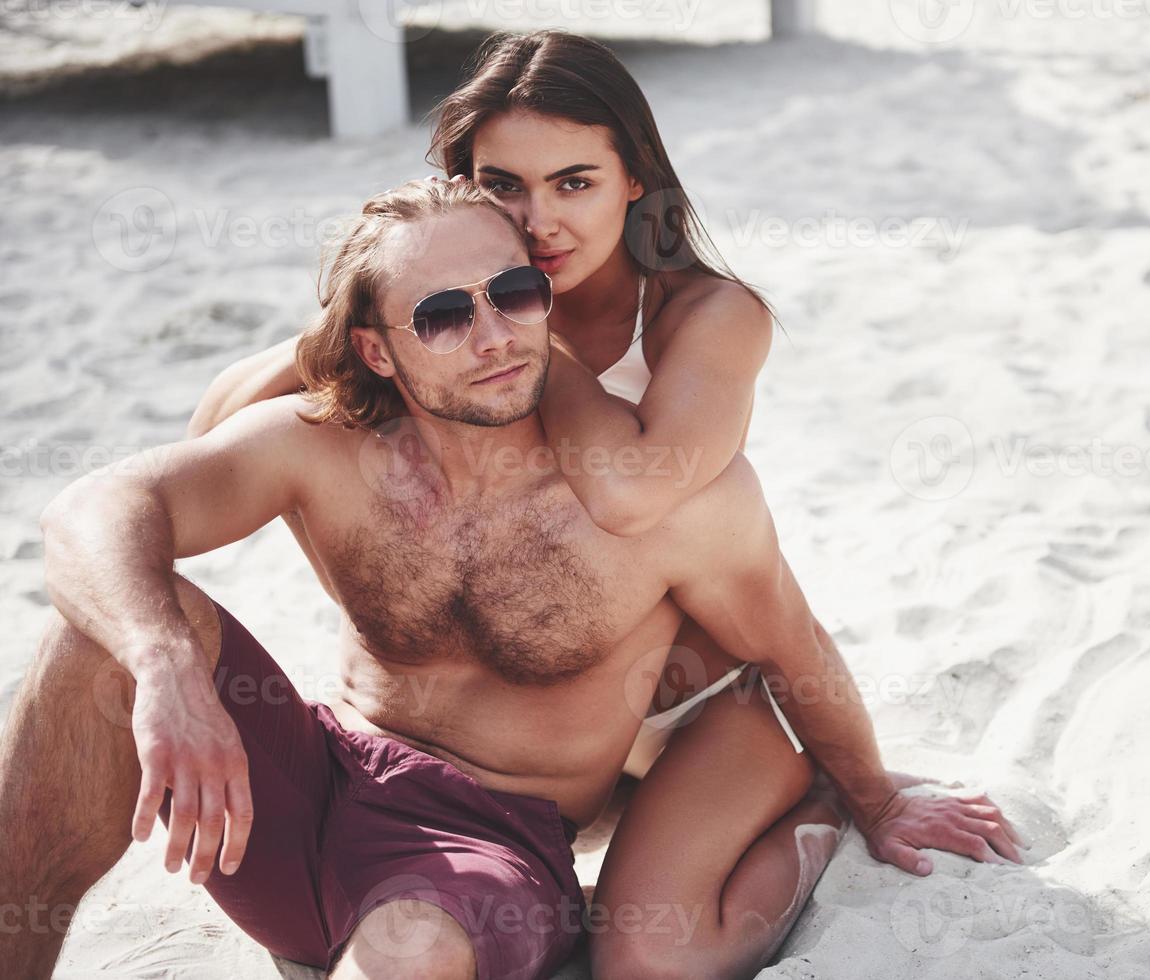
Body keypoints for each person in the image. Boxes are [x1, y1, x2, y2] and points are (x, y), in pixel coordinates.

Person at [0, 180, 1025, 980]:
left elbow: (791, 650)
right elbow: (93, 507)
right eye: (442, 314)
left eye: (516, 292)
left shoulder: (661, 504)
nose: (494, 333)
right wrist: (164, 660)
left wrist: (875, 795)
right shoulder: (326, 445)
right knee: (93, 639)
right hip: (312, 782)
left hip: (487, 846)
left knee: (407, 944)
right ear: (378, 349)